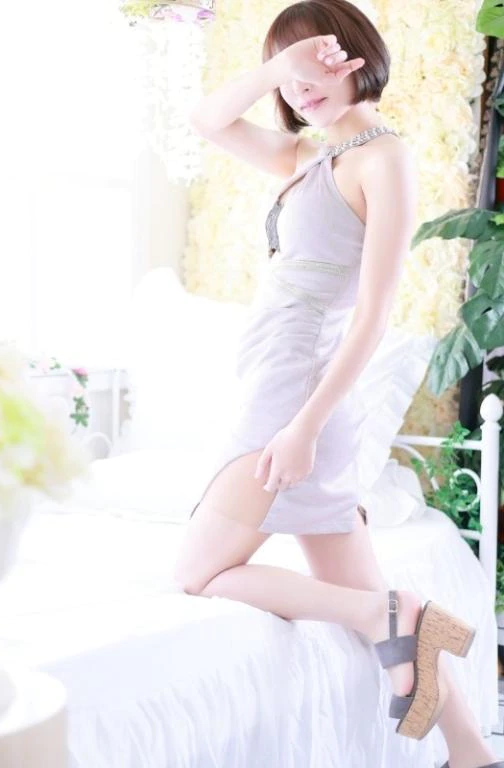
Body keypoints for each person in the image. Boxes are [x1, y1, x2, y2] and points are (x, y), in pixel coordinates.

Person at [173, 1, 500, 765]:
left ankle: (386, 612)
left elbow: (374, 316)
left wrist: (305, 427)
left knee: (198, 572)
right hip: (285, 389)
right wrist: (279, 68)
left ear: (354, 57)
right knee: (377, 603)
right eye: (289, 76)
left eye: (314, 66)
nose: (300, 87)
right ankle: (471, 752)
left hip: (296, 399)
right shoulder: (306, 158)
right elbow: (206, 119)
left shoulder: (383, 159)